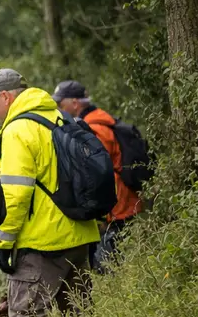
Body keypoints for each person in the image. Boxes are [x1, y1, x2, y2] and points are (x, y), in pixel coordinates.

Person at [0, 68, 101, 317]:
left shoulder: (18, 129)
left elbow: (16, 195)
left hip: (42, 243)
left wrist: (3, 243)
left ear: (5, 96)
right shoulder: (57, 117)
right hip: (80, 235)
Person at [52, 80, 144, 271]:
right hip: (122, 204)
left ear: (75, 103)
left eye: (60, 104)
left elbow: (96, 172)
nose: (58, 108)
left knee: (113, 267)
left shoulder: (95, 128)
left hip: (117, 208)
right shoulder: (101, 120)